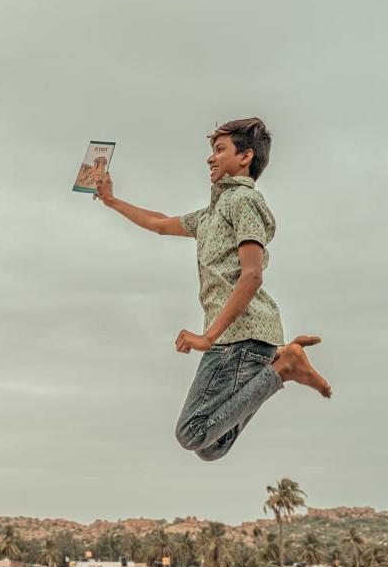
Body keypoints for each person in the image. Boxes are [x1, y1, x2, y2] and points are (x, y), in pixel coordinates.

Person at [94, 117, 331, 463]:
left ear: (245, 156)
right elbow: (160, 224)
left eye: (220, 150)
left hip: (240, 336)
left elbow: (251, 275)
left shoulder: (242, 202)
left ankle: (285, 367)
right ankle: (283, 365)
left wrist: (208, 337)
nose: (210, 158)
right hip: (241, 339)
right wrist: (112, 201)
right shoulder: (211, 214)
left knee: (191, 431)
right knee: (210, 446)